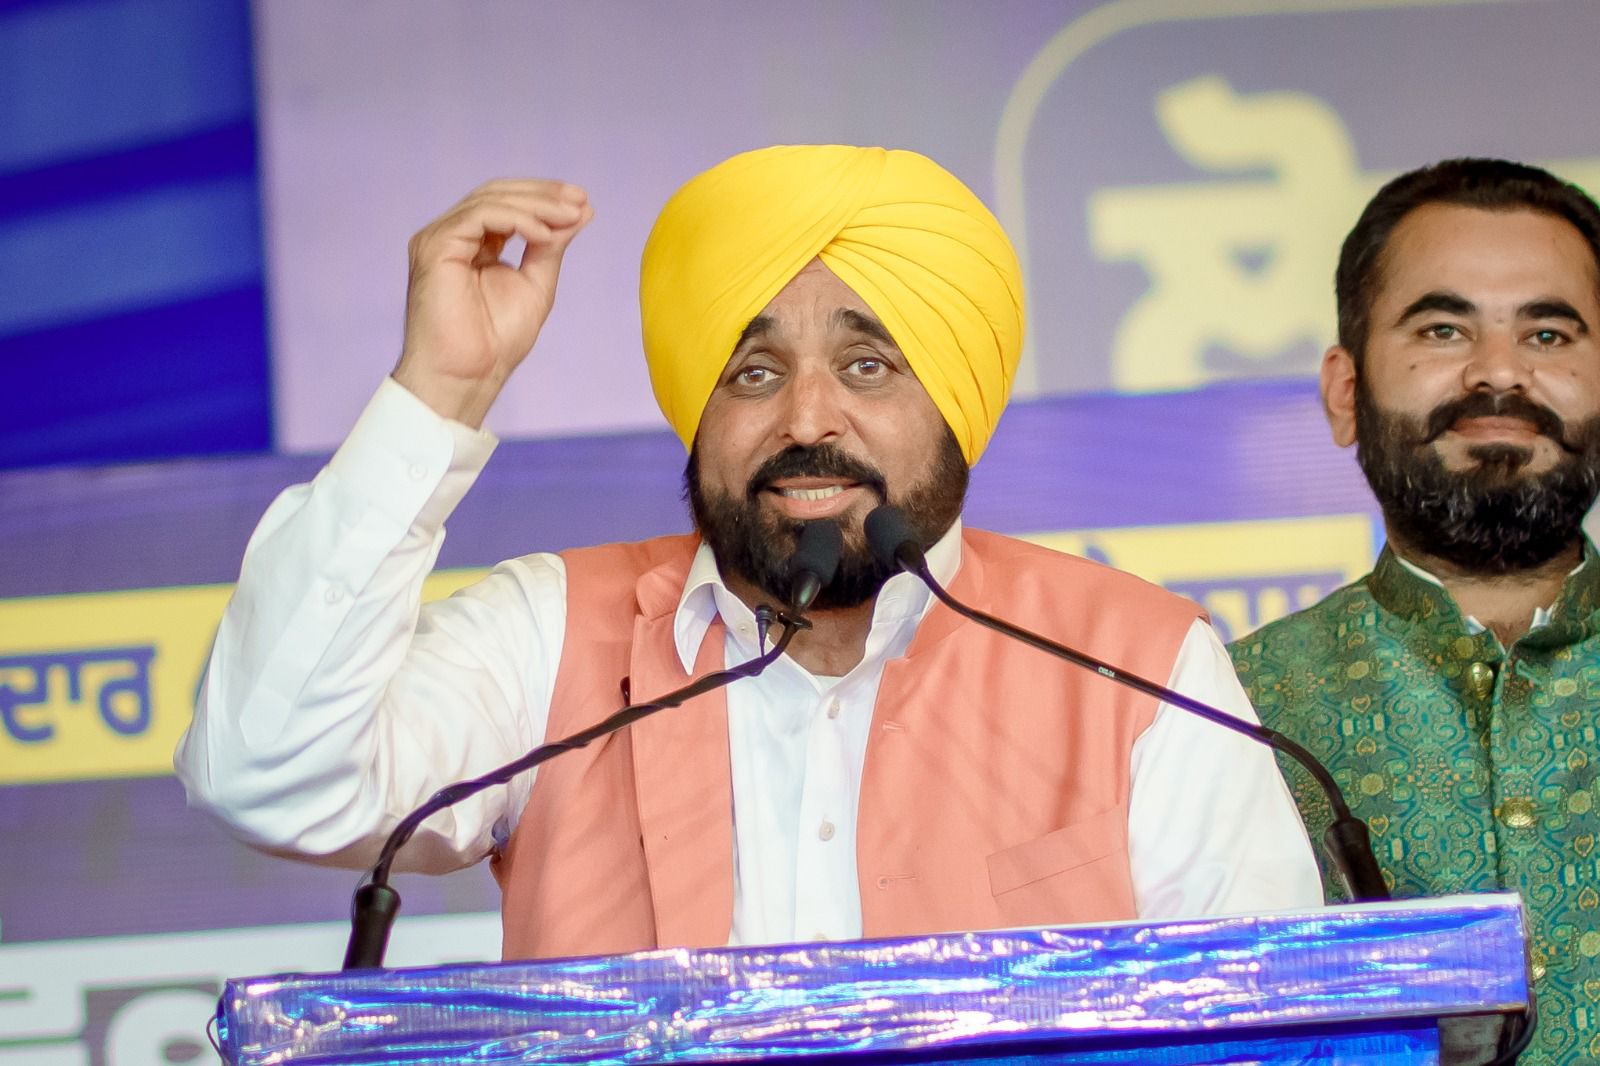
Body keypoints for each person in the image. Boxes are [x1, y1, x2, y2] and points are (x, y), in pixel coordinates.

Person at [177, 144, 1319, 959]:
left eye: (868, 366)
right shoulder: (549, 636)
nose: (807, 418)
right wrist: (442, 389)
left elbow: (1266, 1029)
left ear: (958, 405)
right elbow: (271, 776)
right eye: (754, 372)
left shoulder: (1137, 666)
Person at [1229, 158, 1600, 1064]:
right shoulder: (1229, 708)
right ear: (1345, 391)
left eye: (1548, 334)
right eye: (1443, 329)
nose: (1499, 373)